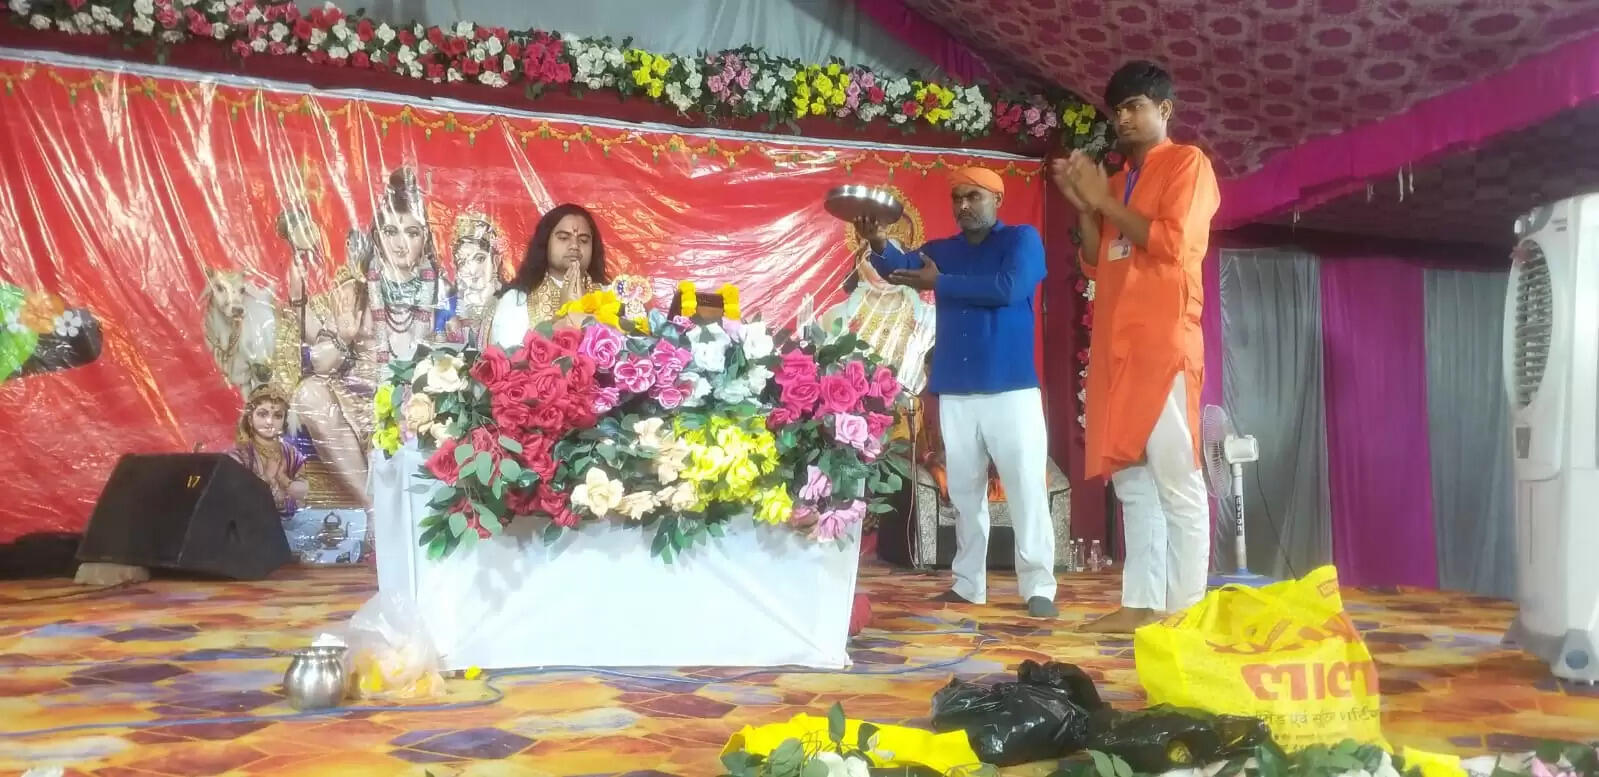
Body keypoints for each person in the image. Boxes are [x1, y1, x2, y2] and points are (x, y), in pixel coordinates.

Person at [1050, 61, 1220, 634]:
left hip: (1161, 342)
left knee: (1176, 480)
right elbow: (1096, 261)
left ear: (1164, 109)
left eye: (1134, 106)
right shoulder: (1121, 178)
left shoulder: (1188, 164)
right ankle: (1140, 604)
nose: (1122, 117)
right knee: (1132, 483)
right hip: (1115, 345)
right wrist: (1086, 206)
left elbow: (1170, 243)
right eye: (1117, 109)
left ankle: (1185, 612)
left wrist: (1104, 199)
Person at [856, 166, 1057, 618]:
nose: (963, 205)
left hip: (1011, 389)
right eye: (957, 198)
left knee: (1026, 488)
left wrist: (941, 283)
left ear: (996, 200)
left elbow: (1008, 288)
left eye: (973, 196)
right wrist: (879, 244)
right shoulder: (943, 251)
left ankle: (1039, 586)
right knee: (964, 493)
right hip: (957, 390)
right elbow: (901, 269)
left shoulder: (1021, 240)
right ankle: (968, 584)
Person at [486, 204, 610, 349]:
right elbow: (507, 359)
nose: (575, 246)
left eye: (583, 240)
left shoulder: (611, 296)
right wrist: (562, 318)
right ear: (545, 244)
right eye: (563, 238)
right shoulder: (516, 300)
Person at [229, 385, 309, 518]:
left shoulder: (291, 453)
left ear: (284, 421)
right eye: (262, 414)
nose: (270, 422)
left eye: (277, 416)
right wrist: (267, 477)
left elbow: (303, 492)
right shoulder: (239, 456)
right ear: (250, 419)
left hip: (290, 521)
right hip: (250, 523)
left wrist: (283, 479)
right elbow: (235, 497)